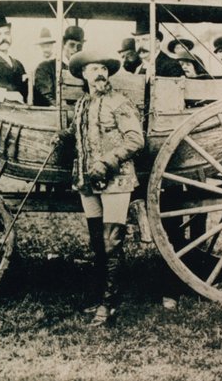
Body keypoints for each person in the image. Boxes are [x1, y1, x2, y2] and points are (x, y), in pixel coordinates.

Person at [56, 50, 144, 326]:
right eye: (93, 69)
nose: (99, 74)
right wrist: (64, 136)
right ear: (84, 75)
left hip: (116, 180)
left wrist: (107, 161)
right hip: (85, 180)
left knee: (111, 241)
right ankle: (100, 296)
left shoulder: (120, 103)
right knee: (97, 241)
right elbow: (78, 132)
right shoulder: (82, 104)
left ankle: (109, 305)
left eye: (103, 68)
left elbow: (135, 140)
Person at [33, 25, 84, 106]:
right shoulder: (45, 68)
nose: (75, 50)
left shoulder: (84, 70)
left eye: (79, 46)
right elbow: (45, 96)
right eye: (72, 45)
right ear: (64, 44)